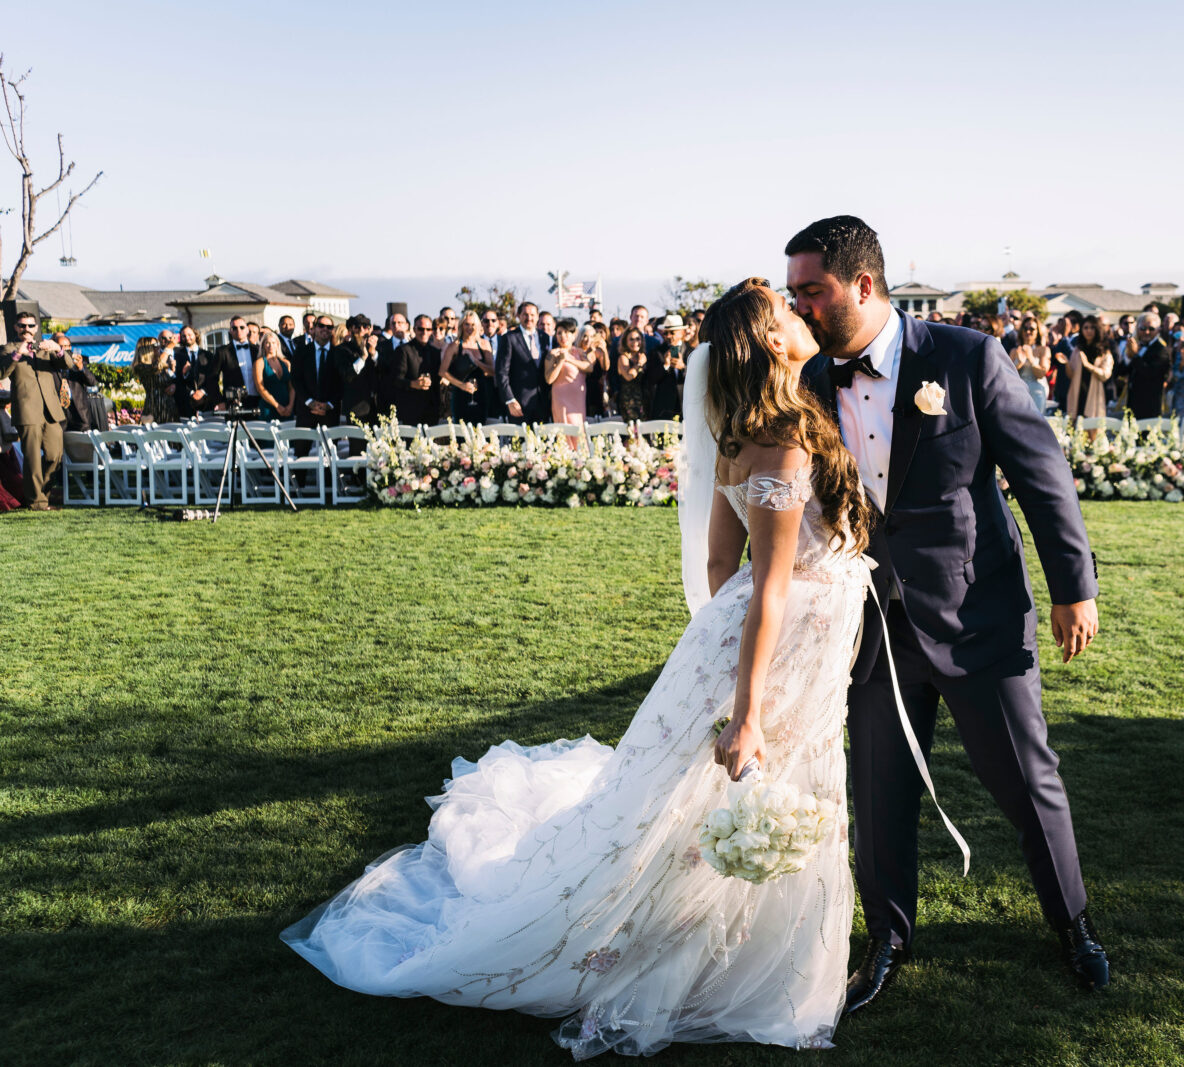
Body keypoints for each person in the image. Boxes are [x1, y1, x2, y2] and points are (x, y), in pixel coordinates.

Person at [285, 277, 871, 1058]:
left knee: (681, 805)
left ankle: (724, 937)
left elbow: (719, 564)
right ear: (770, 343)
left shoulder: (738, 435)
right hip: (775, 647)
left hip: (755, 641)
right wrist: (749, 706)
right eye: (789, 314)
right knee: (731, 792)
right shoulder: (784, 440)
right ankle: (713, 963)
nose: (804, 320)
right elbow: (763, 585)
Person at [786, 215, 1107, 1011]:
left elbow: (1043, 476)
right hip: (870, 629)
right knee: (879, 790)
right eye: (793, 294)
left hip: (978, 614)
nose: (800, 310)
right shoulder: (812, 381)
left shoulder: (967, 358)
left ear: (862, 285)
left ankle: (1073, 926)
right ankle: (888, 937)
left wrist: (1075, 587)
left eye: (812, 292)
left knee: (1027, 781)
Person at [1, 312, 72, 510]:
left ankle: (40, 493)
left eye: (30, 326)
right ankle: (38, 503)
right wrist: (17, 354)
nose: (27, 330)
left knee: (54, 455)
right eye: (22, 326)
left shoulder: (45, 347)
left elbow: (68, 364)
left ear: (36, 328)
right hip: (27, 410)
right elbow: (2, 373)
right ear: (15, 327)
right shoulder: (9, 349)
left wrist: (58, 349)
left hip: (51, 411)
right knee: (31, 457)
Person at [1058, 313, 1114, 425]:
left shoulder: (1104, 351)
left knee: (1092, 430)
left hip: (1094, 395)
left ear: (1097, 330)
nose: (1089, 331)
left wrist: (1088, 366)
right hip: (1077, 394)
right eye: (1086, 328)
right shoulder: (1078, 349)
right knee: (1074, 430)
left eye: (1092, 328)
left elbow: (1105, 375)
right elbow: (1071, 375)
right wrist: (1067, 363)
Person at [498, 301, 548, 425]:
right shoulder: (509, 338)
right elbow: (502, 372)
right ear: (518, 316)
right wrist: (510, 400)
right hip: (519, 405)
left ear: (537, 317)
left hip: (543, 404)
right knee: (519, 443)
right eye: (525, 314)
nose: (529, 318)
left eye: (532, 314)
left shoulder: (545, 337)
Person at [441, 310, 494, 423]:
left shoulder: (484, 344)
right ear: (461, 325)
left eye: (473, 324)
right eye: (466, 324)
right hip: (461, 395)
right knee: (462, 432)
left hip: (482, 394)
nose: (470, 327)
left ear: (478, 325)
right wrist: (461, 385)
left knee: (481, 431)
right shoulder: (454, 346)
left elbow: (492, 371)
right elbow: (442, 372)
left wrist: (475, 360)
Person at [334, 313, 380, 435]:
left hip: (378, 408)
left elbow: (384, 372)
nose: (361, 330)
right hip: (356, 409)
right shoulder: (342, 350)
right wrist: (363, 357)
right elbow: (347, 376)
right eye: (357, 327)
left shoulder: (380, 346)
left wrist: (373, 353)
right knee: (357, 450)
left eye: (365, 327)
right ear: (350, 330)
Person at [295, 315, 341, 434]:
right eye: (321, 325)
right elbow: (296, 380)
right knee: (301, 451)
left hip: (330, 412)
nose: (325, 329)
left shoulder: (338, 353)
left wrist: (329, 404)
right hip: (306, 411)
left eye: (329, 327)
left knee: (330, 451)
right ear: (314, 328)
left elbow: (342, 383)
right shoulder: (301, 351)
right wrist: (310, 402)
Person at [543, 317, 591, 426]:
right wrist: (560, 361)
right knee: (565, 430)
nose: (563, 336)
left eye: (566, 332)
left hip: (578, 399)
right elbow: (549, 379)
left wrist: (569, 359)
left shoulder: (580, 352)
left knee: (579, 429)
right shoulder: (553, 354)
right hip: (561, 399)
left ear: (574, 335)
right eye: (559, 333)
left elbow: (589, 367)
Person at [1124, 311, 1169, 419]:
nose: (1147, 332)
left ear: (1158, 330)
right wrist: (1128, 355)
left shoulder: (1161, 350)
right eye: (1142, 328)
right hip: (1132, 403)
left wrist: (1135, 356)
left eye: (1151, 329)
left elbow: (1150, 373)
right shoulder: (1135, 345)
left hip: (1150, 406)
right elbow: (1122, 371)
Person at [132, 337, 180, 424]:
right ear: (146, 349)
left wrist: (173, 385)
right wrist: (169, 348)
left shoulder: (163, 366)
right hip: (154, 409)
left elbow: (167, 380)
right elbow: (156, 367)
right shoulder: (141, 366)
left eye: (158, 344)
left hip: (169, 409)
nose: (159, 347)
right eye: (155, 345)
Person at [1011, 317, 1052, 413]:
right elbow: (1007, 375)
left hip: (1036, 391)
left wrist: (1031, 358)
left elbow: (1041, 374)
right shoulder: (1014, 351)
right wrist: (1019, 364)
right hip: (1018, 391)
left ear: (1037, 331)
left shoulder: (1043, 350)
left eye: (1032, 329)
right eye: (1025, 328)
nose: (1028, 331)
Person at [253, 331, 296, 422]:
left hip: (287, 407)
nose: (271, 345)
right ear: (263, 345)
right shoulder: (259, 363)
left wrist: (291, 406)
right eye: (267, 343)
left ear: (277, 344)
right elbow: (260, 388)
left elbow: (292, 387)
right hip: (268, 407)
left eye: (273, 343)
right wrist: (277, 406)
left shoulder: (286, 363)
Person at [613, 325, 650, 421]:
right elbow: (628, 376)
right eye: (631, 339)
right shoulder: (623, 358)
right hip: (629, 401)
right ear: (626, 341)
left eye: (638, 339)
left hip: (644, 400)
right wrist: (639, 364)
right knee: (633, 432)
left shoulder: (642, 356)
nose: (635, 342)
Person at [174, 326, 213, 416]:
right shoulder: (177, 356)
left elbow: (212, 376)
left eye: (189, 334)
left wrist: (202, 391)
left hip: (206, 401)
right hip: (186, 403)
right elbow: (176, 380)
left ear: (195, 335)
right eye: (183, 336)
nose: (187, 338)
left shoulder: (207, 355)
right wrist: (184, 374)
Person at [582, 322, 611, 417]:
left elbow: (606, 367)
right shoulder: (579, 350)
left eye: (601, 332)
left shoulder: (599, 352)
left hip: (597, 388)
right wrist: (590, 350)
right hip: (583, 386)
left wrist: (604, 350)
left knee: (597, 414)